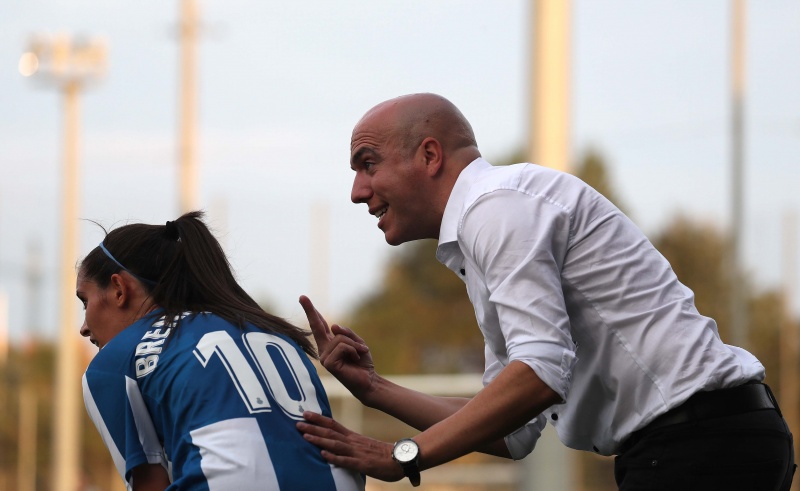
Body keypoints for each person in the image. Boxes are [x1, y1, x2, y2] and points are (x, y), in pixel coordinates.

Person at [296, 93, 796, 490]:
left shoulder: (494, 211)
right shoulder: (483, 228)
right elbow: (512, 431)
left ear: (429, 155)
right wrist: (374, 389)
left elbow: (540, 373)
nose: (358, 191)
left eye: (368, 163)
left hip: (700, 445)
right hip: (710, 442)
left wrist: (401, 455)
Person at [79, 211, 365, 491]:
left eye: (84, 301)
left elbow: (149, 485)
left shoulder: (113, 362)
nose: (83, 328)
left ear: (119, 288)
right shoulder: (277, 334)